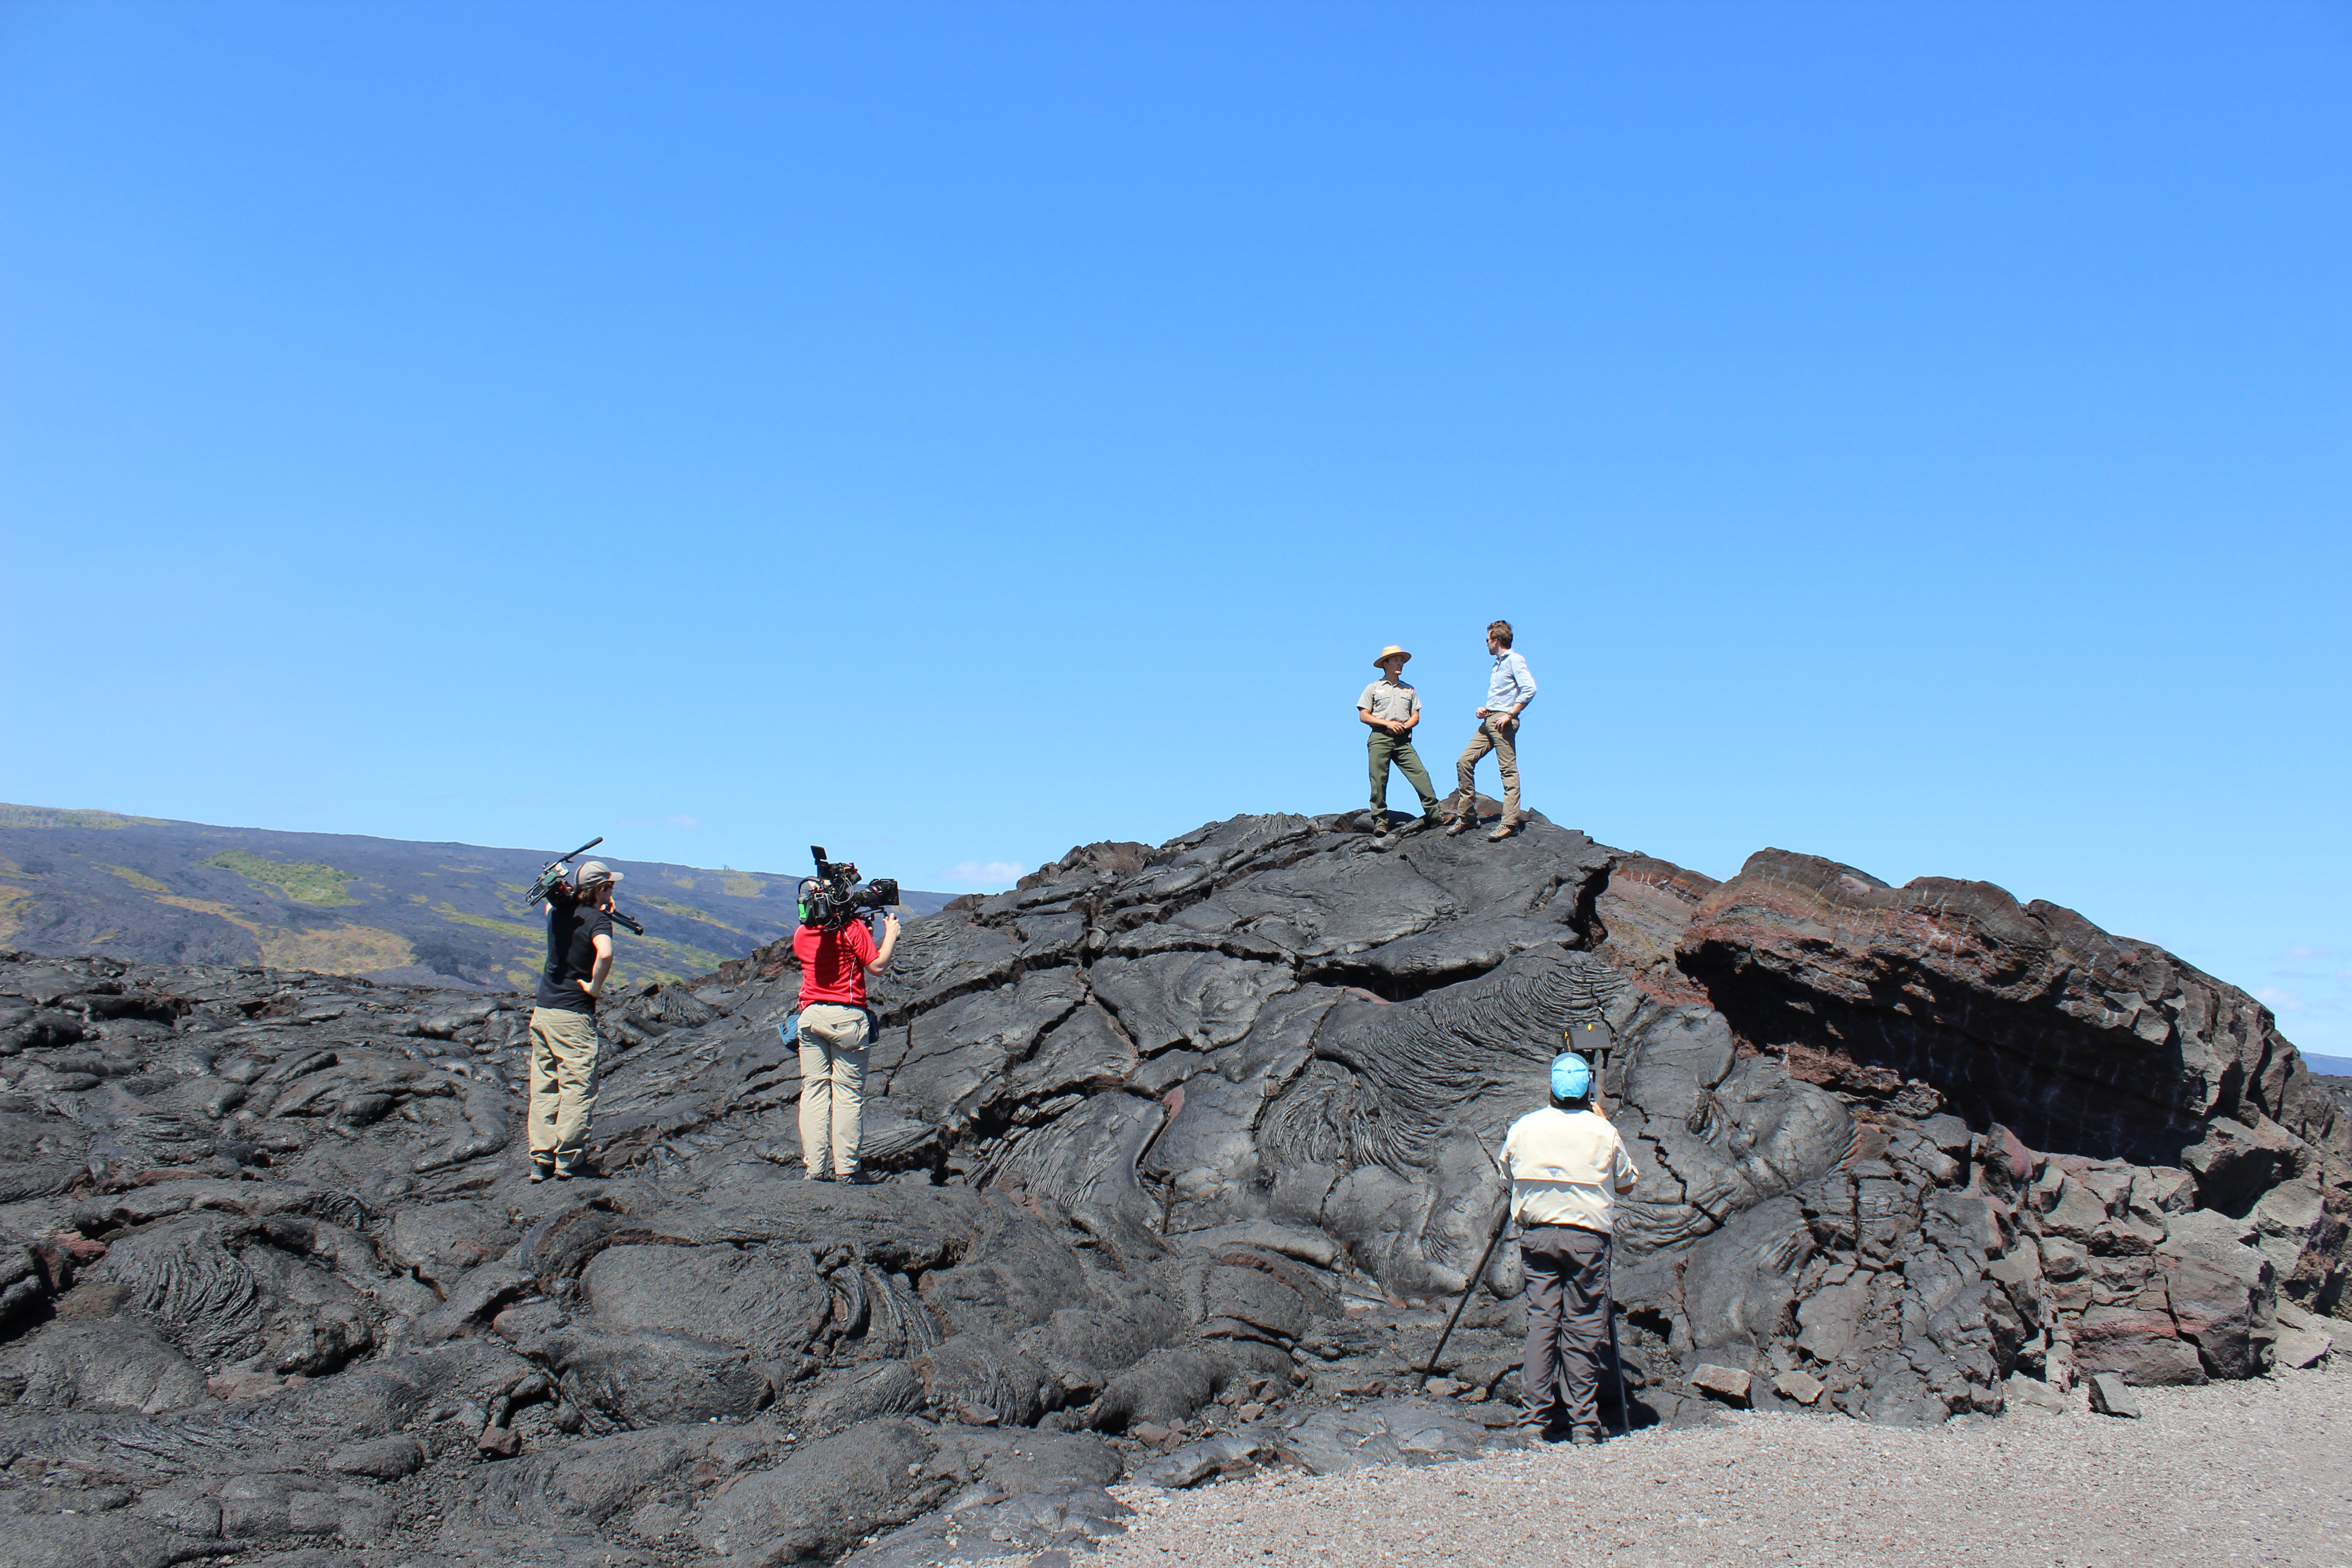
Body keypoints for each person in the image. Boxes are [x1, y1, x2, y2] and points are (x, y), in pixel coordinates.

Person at [1496, 1048, 1639, 1444]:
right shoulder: (1603, 1132)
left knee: (1543, 1324)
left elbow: (1505, 1172)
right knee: (1583, 1327)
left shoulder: (1525, 1127)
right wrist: (1604, 1126)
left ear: (1553, 1088)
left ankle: (1533, 1424)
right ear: (1588, 1089)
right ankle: (1583, 1425)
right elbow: (1626, 1181)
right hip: (1587, 1240)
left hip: (1538, 1235)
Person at [793, 896, 902, 1182]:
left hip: (810, 1017)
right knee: (847, 1095)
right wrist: (890, 936)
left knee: (813, 1093)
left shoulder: (802, 933)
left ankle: (814, 1169)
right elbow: (876, 966)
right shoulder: (851, 928)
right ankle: (847, 1169)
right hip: (847, 1019)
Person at [528, 859, 622, 1182]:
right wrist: (595, 988)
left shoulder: (556, 914)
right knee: (577, 1086)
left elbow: (552, 906)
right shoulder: (597, 921)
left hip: (544, 1011)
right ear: (601, 889)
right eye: (610, 886)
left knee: (545, 1086)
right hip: (574, 1013)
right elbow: (606, 953)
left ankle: (541, 1159)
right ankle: (569, 1159)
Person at [1450, 619, 1538, 841]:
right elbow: (1503, 694)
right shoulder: (1498, 663)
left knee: (1508, 770)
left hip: (1502, 721)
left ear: (1496, 640)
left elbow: (1530, 689)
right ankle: (1468, 817)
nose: (1487, 644)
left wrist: (1510, 715)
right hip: (1490, 719)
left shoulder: (1514, 660)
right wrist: (1486, 709)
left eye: (1488, 640)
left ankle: (1510, 823)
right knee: (1464, 761)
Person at [1358, 644, 1444, 838]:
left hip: (1403, 740)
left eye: (1402, 660)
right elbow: (1364, 715)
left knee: (1421, 774)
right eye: (1396, 660)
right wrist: (1386, 723)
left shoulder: (1409, 689)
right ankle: (1380, 822)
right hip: (1380, 738)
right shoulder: (1373, 688)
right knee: (1378, 780)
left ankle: (1435, 814)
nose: (1400, 664)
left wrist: (1404, 727)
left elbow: (1416, 716)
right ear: (1385, 664)